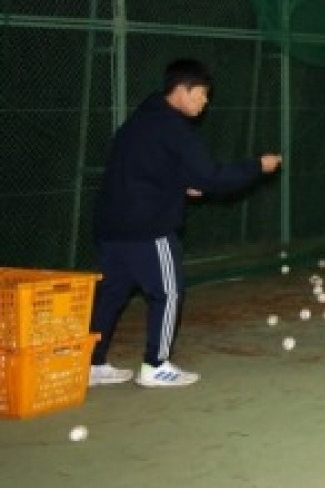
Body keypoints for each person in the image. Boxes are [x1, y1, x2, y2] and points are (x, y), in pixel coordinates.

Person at [89, 59, 283, 388]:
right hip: (148, 228)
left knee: (111, 294)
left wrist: (178, 183)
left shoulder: (141, 120)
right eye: (202, 94)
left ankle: (91, 363)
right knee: (169, 292)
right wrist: (257, 166)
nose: (205, 102)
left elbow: (144, 168)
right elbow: (211, 177)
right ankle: (156, 365)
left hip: (111, 226)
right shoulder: (175, 128)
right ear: (182, 90)